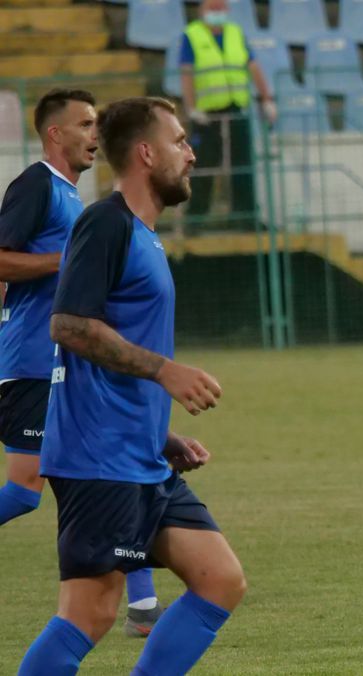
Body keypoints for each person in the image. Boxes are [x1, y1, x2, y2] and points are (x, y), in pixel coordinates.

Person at [18, 97, 244, 676]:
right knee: (89, 614)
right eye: (179, 142)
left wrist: (160, 433)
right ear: (146, 153)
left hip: (139, 454)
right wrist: (166, 371)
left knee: (219, 579)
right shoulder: (106, 223)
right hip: (98, 459)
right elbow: (68, 326)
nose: (191, 155)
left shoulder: (143, 234)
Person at [0, 89, 166, 637]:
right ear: (55, 134)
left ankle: (143, 606)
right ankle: (139, 604)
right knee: (24, 491)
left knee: (115, 469)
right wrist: (66, 260)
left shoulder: (74, 197)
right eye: (85, 124)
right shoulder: (37, 185)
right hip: (32, 364)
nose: (95, 134)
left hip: (66, 366)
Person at [179, 0, 277, 231]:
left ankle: (246, 217)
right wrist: (192, 108)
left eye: (220, 9)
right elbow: (187, 73)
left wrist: (266, 99)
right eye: (212, 9)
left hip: (236, 108)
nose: (217, 13)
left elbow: (253, 66)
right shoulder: (192, 35)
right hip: (207, 114)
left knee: (243, 165)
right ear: (202, 10)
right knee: (204, 165)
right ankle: (196, 219)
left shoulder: (235, 33)